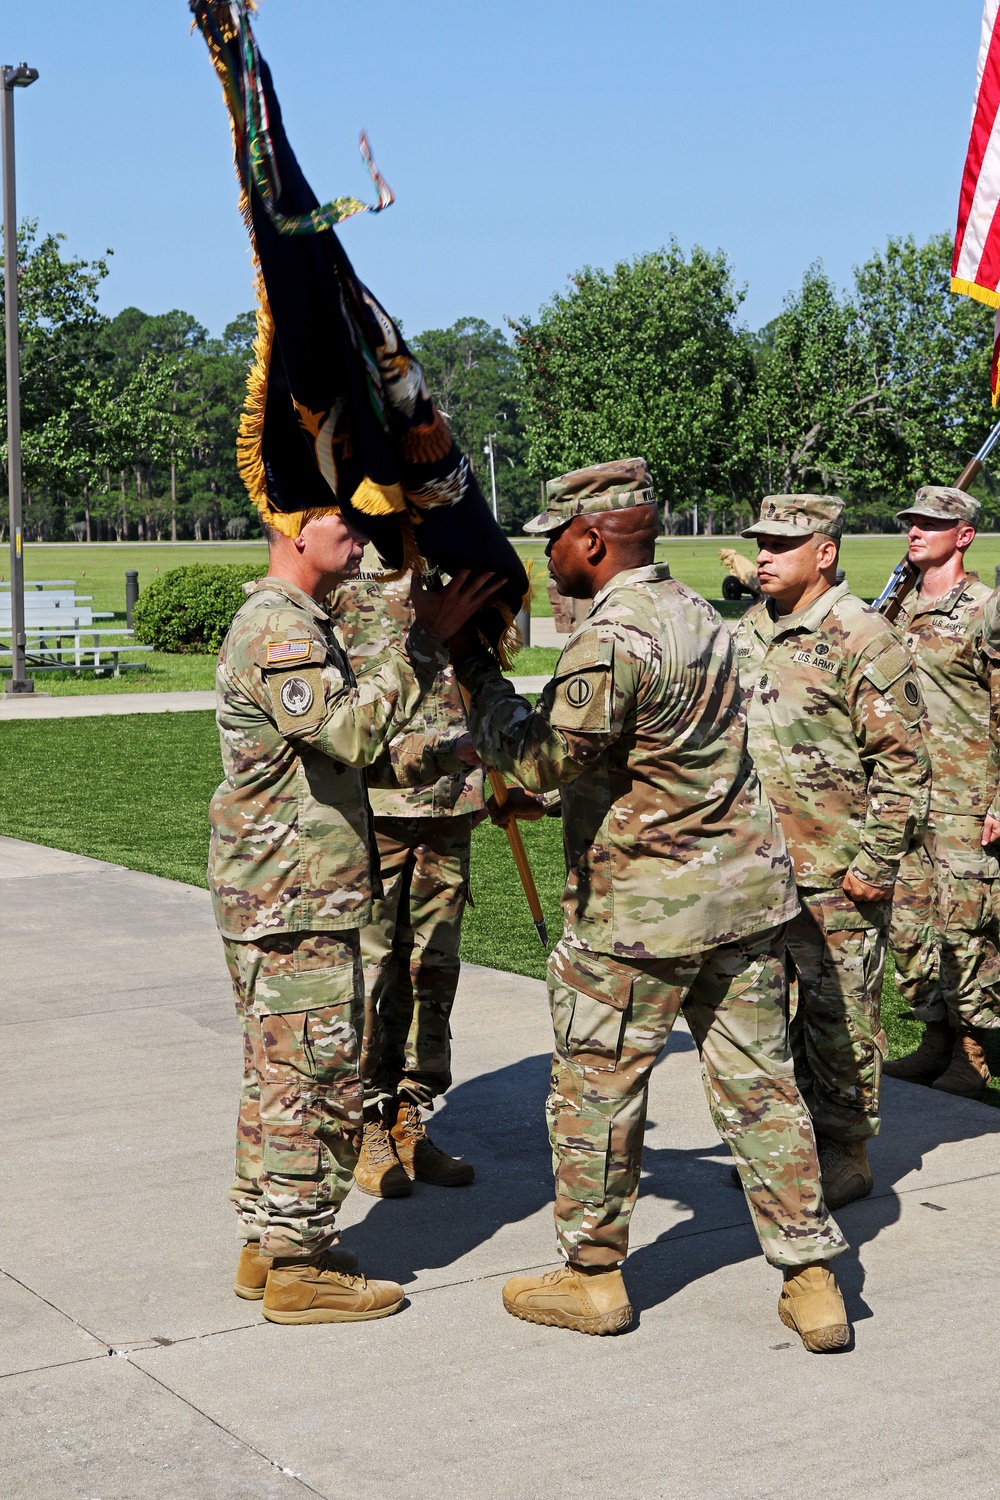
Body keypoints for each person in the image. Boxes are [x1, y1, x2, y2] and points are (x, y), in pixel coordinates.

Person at [450, 458, 852, 1352]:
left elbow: (546, 757)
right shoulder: (706, 617)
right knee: (762, 1089)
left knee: (597, 1089)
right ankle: (812, 1278)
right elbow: (656, 753)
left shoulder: (613, 636)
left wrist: (472, 668)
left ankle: (592, 1278)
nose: (545, 554)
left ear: (592, 541)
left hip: (639, 916)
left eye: (553, 537)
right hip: (743, 899)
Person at [209, 505, 499, 1324]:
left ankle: (269, 1246)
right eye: (343, 519)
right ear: (294, 529)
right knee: (314, 1079)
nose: (365, 537)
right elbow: (349, 732)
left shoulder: (303, 622)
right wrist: (422, 642)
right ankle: (300, 1269)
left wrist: (450, 753)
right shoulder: (282, 631)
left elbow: (349, 751)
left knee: (277, 1075)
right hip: (292, 895)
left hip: (290, 889)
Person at [733, 495, 930, 1211]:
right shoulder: (749, 630)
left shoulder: (862, 636)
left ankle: (845, 1152)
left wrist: (875, 865)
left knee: (838, 1018)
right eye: (760, 541)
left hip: (835, 876)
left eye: (782, 543)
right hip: (756, 871)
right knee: (759, 1022)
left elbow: (903, 764)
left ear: (825, 552)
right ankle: (785, 1150)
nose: (763, 554)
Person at [329, 572, 485, 1196]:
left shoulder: (451, 569)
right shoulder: (346, 578)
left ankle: (407, 1113)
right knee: (373, 969)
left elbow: (473, 676)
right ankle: (364, 1117)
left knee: (432, 966)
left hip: (447, 804)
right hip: (374, 802)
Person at [884, 488, 1000, 1094]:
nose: (916, 531)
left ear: (964, 536)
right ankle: (936, 1035)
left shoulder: (985, 609)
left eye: (933, 524)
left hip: (965, 798)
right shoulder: (895, 604)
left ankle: (975, 1053)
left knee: (965, 929)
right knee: (908, 928)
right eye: (912, 523)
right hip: (904, 794)